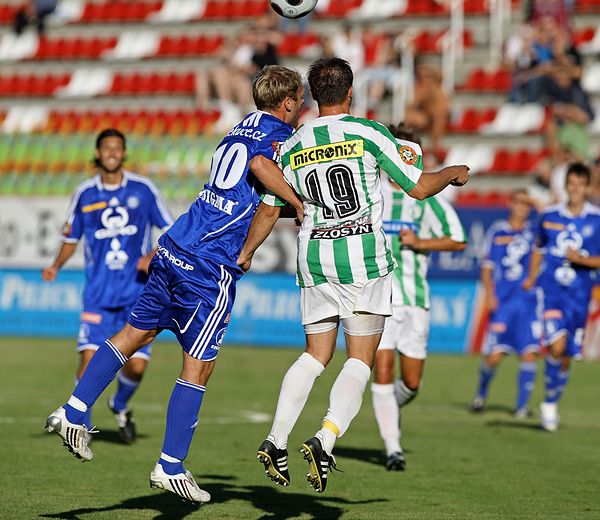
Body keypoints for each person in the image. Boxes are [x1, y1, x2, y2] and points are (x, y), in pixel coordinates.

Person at [45, 65, 306, 504]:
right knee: (198, 366)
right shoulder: (278, 136)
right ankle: (170, 465)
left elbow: (247, 190)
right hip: (209, 264)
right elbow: (263, 171)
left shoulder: (239, 128)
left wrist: (286, 204)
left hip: (175, 247)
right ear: (287, 103)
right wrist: (297, 203)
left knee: (134, 333)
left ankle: (73, 409)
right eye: (300, 100)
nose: (302, 107)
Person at [236, 57, 469, 493]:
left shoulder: (291, 143)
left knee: (313, 356)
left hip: (316, 260)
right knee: (359, 359)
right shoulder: (369, 132)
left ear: (312, 95)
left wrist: (248, 252)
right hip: (363, 260)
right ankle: (325, 439)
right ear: (350, 93)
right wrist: (452, 173)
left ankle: (276, 437)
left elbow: (271, 208)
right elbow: (417, 187)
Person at [42, 128, 173, 443]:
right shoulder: (85, 193)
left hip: (137, 295)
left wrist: (152, 255)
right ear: (98, 154)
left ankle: (120, 404)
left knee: (136, 369)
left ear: (124, 153)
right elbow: (71, 237)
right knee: (89, 360)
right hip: (98, 296)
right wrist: (55, 265)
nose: (113, 153)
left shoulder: (143, 189)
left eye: (118, 148)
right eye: (107, 148)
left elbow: (171, 229)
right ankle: (79, 426)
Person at [372, 124, 467, 472]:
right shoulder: (374, 191)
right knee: (381, 371)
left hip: (416, 301)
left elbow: (458, 239)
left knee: (411, 383)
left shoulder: (426, 200)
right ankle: (392, 448)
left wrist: (421, 243)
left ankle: (390, 409)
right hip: (381, 297)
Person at [523, 163, 600, 432]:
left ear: (588, 186)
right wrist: (531, 278)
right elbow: (538, 247)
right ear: (566, 185)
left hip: (580, 296)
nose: (575, 188)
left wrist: (584, 260)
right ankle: (549, 405)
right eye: (571, 183)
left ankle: (552, 399)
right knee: (555, 347)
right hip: (551, 291)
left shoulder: (596, 220)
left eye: (580, 184)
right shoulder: (549, 216)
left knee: (567, 354)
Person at [469, 190, 541, 418]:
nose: (522, 206)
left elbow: (549, 214)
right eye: (518, 201)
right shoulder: (497, 231)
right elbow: (487, 268)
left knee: (529, 354)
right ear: (510, 203)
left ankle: (521, 406)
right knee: (494, 356)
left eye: (526, 203)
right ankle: (480, 395)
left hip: (528, 303)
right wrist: (490, 295)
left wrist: (535, 201)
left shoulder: (533, 231)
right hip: (504, 301)